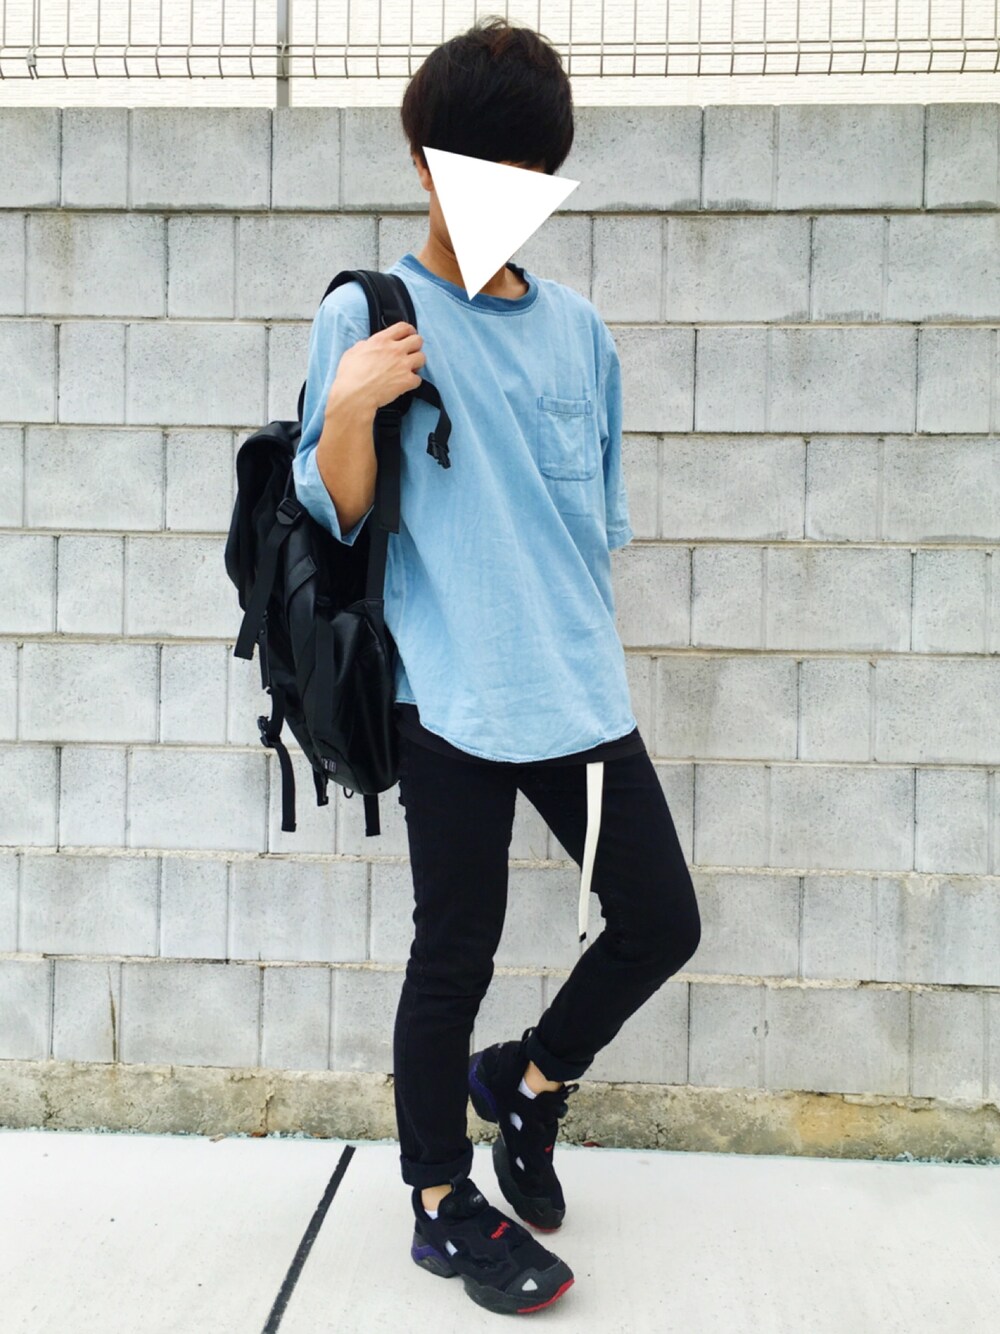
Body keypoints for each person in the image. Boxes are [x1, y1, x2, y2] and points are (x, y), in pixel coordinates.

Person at [293, 15, 702, 1317]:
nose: (503, 197)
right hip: (449, 697)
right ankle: (437, 1198)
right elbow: (337, 512)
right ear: (425, 162)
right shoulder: (371, 311)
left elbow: (589, 530)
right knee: (453, 953)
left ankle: (526, 1084)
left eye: (528, 174)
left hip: (577, 691)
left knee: (663, 920)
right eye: (479, 169)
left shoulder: (579, 331)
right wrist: (351, 401)